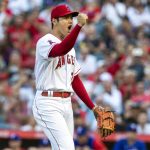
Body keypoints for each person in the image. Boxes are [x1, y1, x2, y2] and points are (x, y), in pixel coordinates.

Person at [32, 3, 101, 150]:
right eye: (65, 18)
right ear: (54, 21)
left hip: (66, 103)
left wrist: (92, 107)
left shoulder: (71, 49)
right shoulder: (45, 41)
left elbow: (74, 79)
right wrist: (79, 27)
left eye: (72, 18)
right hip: (47, 102)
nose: (70, 21)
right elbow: (61, 49)